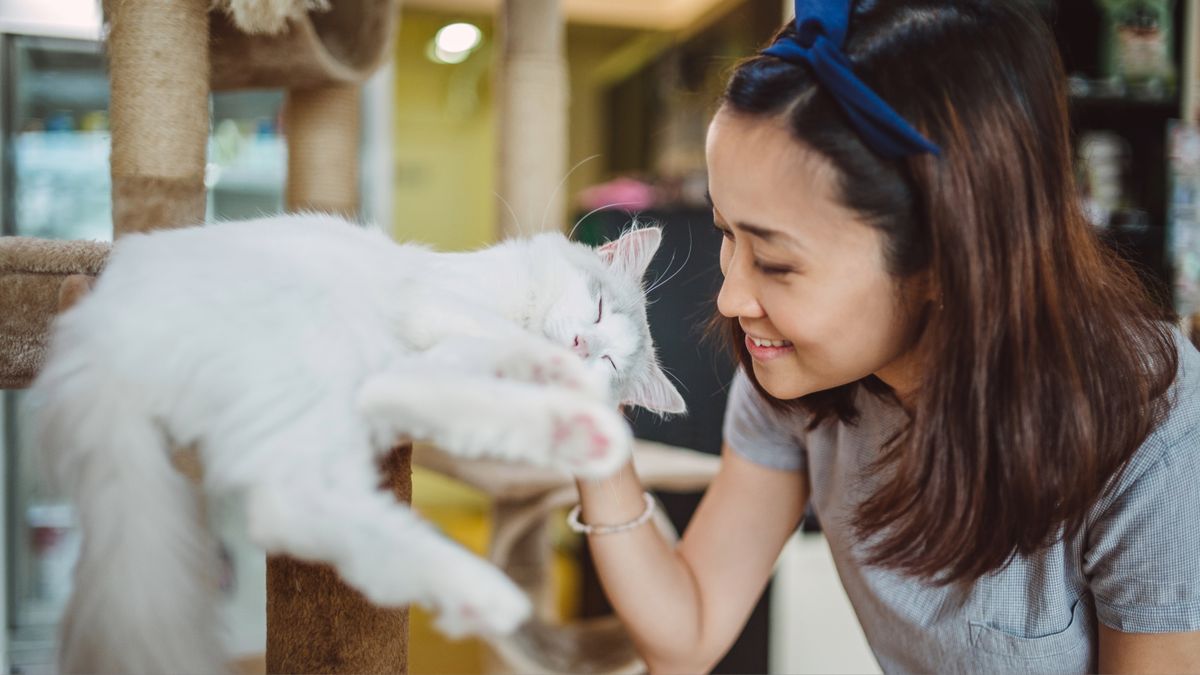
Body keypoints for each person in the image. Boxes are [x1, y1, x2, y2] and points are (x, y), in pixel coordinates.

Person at [570, 1, 1200, 672]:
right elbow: (688, 633)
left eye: (777, 263)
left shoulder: (1152, 426)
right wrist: (592, 431)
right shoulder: (795, 375)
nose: (731, 298)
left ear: (943, 257)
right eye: (727, 234)